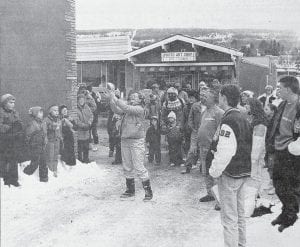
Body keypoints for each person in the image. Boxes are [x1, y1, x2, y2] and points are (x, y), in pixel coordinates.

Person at [209, 84, 252, 247]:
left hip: (230, 174)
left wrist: (214, 171)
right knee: (240, 214)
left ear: (224, 98)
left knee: (229, 218)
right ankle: (241, 244)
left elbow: (225, 151)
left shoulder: (228, 120)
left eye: (220, 96)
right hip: (243, 172)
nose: (218, 99)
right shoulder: (243, 117)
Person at [267, 76, 300, 232]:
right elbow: (275, 125)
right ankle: (287, 211)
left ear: (288, 89)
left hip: (292, 152)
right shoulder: (282, 104)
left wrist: (294, 146)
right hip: (279, 149)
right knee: (277, 183)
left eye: (279, 87)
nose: (277, 90)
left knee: (287, 186)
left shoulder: (298, 106)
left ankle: (290, 215)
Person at [107, 90, 153, 201]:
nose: (131, 98)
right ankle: (130, 190)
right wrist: (111, 100)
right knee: (127, 166)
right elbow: (116, 110)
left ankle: (148, 192)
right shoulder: (128, 109)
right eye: (131, 97)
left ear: (140, 100)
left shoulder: (140, 109)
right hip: (125, 140)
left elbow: (126, 108)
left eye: (134, 97)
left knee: (138, 166)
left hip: (136, 141)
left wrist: (116, 98)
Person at [198, 86, 224, 205]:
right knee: (206, 172)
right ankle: (210, 194)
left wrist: (216, 147)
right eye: (203, 96)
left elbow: (221, 130)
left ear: (213, 99)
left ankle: (220, 200)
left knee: (214, 173)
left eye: (206, 97)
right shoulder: (204, 111)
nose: (203, 99)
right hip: (203, 147)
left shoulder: (219, 112)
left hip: (212, 149)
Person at [245, 98, 268, 196]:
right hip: (251, 154)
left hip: (255, 156)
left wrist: (252, 159)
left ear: (253, 107)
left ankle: (254, 197)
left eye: (247, 104)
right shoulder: (254, 120)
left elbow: (257, 145)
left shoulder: (260, 124)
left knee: (254, 176)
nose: (245, 106)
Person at [181, 88, 207, 174]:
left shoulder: (209, 107)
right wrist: (193, 128)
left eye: (204, 95)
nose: (202, 97)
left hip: (205, 133)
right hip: (195, 131)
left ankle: (203, 168)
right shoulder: (195, 105)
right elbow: (190, 118)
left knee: (204, 150)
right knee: (192, 149)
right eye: (201, 95)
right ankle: (188, 166)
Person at [0, 94, 23, 187]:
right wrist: (9, 127)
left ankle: (14, 179)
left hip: (14, 139)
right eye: (10, 102)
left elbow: (20, 123)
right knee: (6, 160)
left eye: (14, 102)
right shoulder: (1, 112)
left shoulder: (15, 113)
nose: (13, 104)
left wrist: (18, 126)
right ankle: (6, 180)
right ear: (5, 103)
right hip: (4, 140)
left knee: (14, 160)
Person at [23, 106, 48, 182]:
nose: (42, 113)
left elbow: (45, 133)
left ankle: (44, 179)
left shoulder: (43, 123)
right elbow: (27, 136)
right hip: (35, 147)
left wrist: (45, 140)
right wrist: (28, 145)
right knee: (35, 163)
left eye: (42, 112)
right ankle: (25, 174)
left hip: (42, 146)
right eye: (40, 112)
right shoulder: (32, 124)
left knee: (44, 163)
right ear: (35, 114)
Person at [45, 105, 62, 177]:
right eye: (54, 110)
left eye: (57, 110)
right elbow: (45, 130)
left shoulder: (58, 120)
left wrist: (60, 137)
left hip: (56, 140)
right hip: (50, 141)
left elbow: (59, 130)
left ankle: (55, 169)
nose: (57, 112)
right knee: (50, 156)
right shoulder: (46, 120)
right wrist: (54, 126)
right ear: (50, 112)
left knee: (55, 156)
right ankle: (50, 170)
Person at [76, 94, 93, 164]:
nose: (81, 101)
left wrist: (89, 123)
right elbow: (77, 120)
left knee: (86, 146)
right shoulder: (76, 109)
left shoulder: (87, 107)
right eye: (80, 100)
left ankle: (86, 159)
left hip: (86, 131)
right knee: (80, 147)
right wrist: (83, 125)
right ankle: (80, 160)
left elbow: (91, 116)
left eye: (83, 100)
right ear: (78, 100)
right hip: (80, 131)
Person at [181, 90, 198, 157]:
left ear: (196, 99)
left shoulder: (198, 107)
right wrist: (182, 127)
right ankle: (188, 157)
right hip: (187, 129)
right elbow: (183, 118)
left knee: (195, 144)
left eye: (192, 98)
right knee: (187, 143)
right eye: (189, 97)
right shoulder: (186, 107)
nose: (190, 99)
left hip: (195, 128)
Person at [87, 85, 101, 151]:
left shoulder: (94, 96)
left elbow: (97, 106)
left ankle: (95, 144)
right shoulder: (94, 96)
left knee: (93, 131)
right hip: (92, 116)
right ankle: (91, 144)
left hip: (94, 116)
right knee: (91, 131)